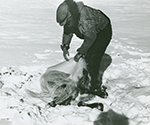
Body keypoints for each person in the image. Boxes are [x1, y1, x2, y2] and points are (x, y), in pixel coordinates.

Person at [56, 0, 112, 95]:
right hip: (91, 33)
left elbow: (90, 38)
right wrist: (65, 46)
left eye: (66, 21)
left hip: (103, 31)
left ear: (70, 16)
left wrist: (81, 52)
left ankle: (95, 86)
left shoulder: (85, 18)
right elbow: (67, 31)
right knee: (86, 58)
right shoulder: (72, 18)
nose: (66, 24)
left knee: (93, 58)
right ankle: (85, 81)